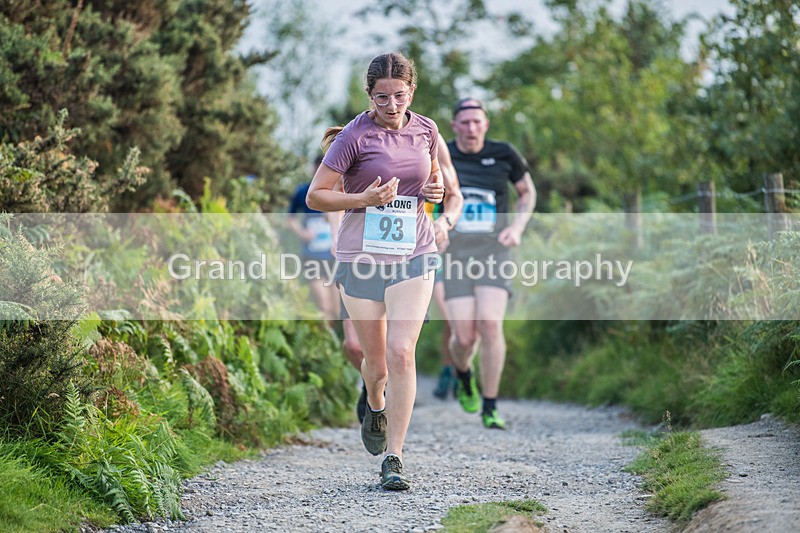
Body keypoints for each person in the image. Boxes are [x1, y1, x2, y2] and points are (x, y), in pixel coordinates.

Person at [307, 52, 445, 490]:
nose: (391, 105)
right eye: (382, 97)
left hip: (414, 252)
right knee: (377, 363)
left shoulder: (426, 129)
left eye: (399, 96)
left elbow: (433, 181)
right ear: (369, 94)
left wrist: (435, 192)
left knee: (403, 352)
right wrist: (363, 200)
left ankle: (394, 458)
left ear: (412, 91)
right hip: (361, 256)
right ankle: (373, 401)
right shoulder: (353, 135)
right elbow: (316, 196)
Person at [443, 97, 536, 430]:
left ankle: (491, 405)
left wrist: (517, 227)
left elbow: (527, 192)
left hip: (494, 252)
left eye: (476, 122)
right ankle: (464, 374)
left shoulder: (504, 153)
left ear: (486, 124)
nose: (471, 128)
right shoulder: (443, 154)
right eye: (464, 122)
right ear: (454, 125)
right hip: (454, 254)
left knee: (490, 325)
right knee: (464, 338)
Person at [424, 135, 463, 400]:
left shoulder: (436, 154)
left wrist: (444, 225)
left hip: (440, 250)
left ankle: (452, 370)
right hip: (401, 252)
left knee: (451, 318)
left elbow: (453, 196)